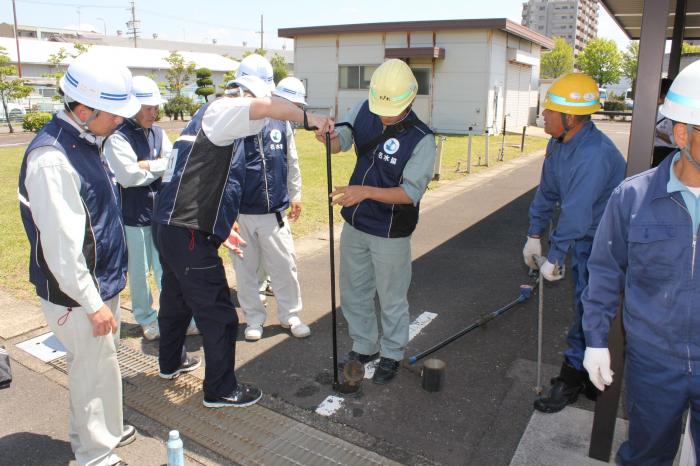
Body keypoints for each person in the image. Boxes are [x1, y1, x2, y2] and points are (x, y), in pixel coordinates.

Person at [152, 62, 333, 408]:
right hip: (189, 229)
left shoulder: (208, 114)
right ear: (253, 91)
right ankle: (220, 389)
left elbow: (215, 181)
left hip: (171, 224)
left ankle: (170, 361)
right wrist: (310, 120)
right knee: (218, 312)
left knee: (175, 299)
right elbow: (266, 107)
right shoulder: (228, 108)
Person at [17, 53, 141, 466]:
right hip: (77, 295)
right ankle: (95, 453)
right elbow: (62, 250)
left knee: (99, 369)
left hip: (95, 285)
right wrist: (92, 304)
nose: (120, 121)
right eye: (114, 114)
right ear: (84, 109)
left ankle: (97, 431)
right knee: (92, 371)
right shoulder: (52, 158)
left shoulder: (85, 141)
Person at [582, 60, 700, 465]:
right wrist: (595, 339)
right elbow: (603, 271)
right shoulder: (633, 198)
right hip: (654, 361)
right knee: (647, 456)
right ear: (682, 133)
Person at [320, 59, 436, 385]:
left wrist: (365, 191)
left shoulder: (422, 139)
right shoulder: (365, 109)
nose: (384, 115)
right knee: (354, 290)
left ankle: (392, 353)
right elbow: (339, 142)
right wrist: (324, 136)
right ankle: (365, 345)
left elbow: (410, 193)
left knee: (391, 296)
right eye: (381, 107)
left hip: (391, 230)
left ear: (410, 100)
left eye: (392, 109)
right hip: (356, 221)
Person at [522, 72, 626, 413]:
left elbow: (577, 215)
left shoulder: (594, 154)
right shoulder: (558, 144)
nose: (544, 115)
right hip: (585, 238)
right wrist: (534, 234)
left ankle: (574, 377)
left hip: (607, 244)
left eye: (550, 111)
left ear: (571, 117)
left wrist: (556, 254)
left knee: (591, 307)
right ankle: (584, 373)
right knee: (585, 304)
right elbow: (548, 192)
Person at [103, 76, 199, 341]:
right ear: (133, 106)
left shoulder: (158, 132)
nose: (154, 112)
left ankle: (177, 315)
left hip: (162, 213)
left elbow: (175, 164)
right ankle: (146, 318)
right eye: (148, 108)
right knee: (139, 272)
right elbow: (129, 176)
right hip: (133, 215)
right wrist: (157, 165)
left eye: (156, 107)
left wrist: (147, 165)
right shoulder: (117, 137)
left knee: (167, 268)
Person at [229, 74, 310, 341]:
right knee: (246, 270)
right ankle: (254, 318)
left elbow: (291, 160)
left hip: (273, 211)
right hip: (241, 212)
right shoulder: (235, 122)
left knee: (284, 265)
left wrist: (295, 194)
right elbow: (223, 172)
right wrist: (226, 214)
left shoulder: (282, 124)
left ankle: (290, 315)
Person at [652, 77, 676, 168]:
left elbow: (673, 140)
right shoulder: (670, 111)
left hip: (663, 152)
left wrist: (657, 133)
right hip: (666, 152)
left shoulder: (661, 110)